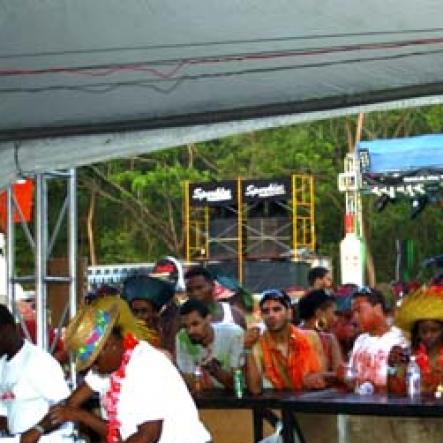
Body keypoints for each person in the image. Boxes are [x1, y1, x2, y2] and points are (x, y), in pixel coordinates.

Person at [52, 303, 211, 443]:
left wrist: (83, 416)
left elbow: (148, 435)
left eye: (94, 362)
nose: (92, 368)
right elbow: (71, 404)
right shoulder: (108, 366)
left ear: (110, 345)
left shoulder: (146, 365)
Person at [0, 305, 72, 443]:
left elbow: (64, 406)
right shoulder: (2, 364)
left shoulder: (38, 361)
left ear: (6, 330)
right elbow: (7, 412)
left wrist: (38, 429)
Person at [244, 289, 325, 394]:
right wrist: (247, 348)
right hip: (277, 406)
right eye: (266, 311)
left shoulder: (311, 337)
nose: (271, 315)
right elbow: (255, 389)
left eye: (276, 309)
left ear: (289, 313)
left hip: (310, 402)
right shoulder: (258, 344)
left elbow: (321, 379)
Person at [347, 287, 407, 393]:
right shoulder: (360, 340)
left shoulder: (400, 339)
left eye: (359, 310)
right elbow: (352, 378)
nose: (354, 317)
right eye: (353, 312)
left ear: (378, 309)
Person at [176, 299, 244, 390]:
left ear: (208, 319)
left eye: (195, 324)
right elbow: (190, 381)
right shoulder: (182, 337)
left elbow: (237, 385)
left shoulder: (234, 334)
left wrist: (214, 369)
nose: (190, 331)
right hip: (205, 398)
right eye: (185, 326)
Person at [388, 285, 443, 396]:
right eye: (424, 331)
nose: (428, 335)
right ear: (416, 333)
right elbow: (396, 391)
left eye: (434, 330)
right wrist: (392, 367)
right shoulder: (408, 356)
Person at [123, 274, 179, 354]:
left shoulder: (166, 334)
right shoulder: (127, 336)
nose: (139, 316)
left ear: (155, 312)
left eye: (144, 311)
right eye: (135, 311)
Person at [298, 289, 343, 372]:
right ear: (319, 313)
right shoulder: (329, 340)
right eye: (333, 313)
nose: (335, 319)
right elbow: (339, 375)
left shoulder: (288, 335)